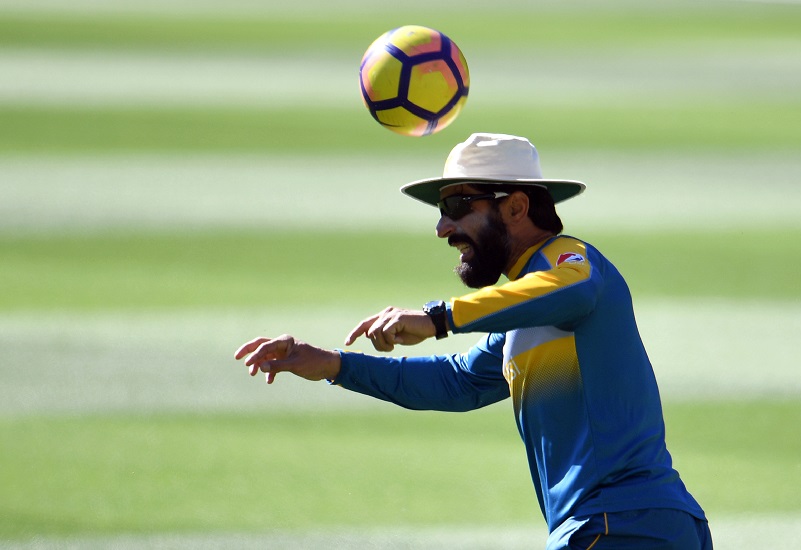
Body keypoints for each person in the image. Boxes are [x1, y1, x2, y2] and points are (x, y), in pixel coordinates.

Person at [234, 133, 712, 549]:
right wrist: (335, 365)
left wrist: (439, 318)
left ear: (517, 207)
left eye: (458, 207)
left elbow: (576, 284)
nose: (443, 228)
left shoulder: (568, 259)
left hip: (619, 524)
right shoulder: (523, 317)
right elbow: (458, 381)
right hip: (639, 524)